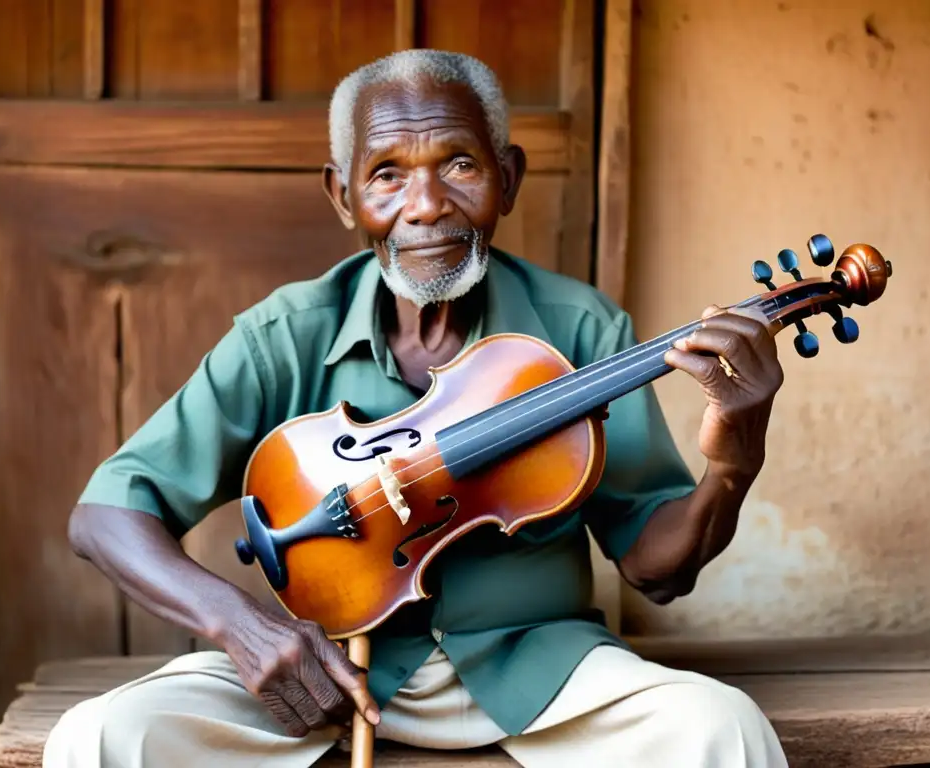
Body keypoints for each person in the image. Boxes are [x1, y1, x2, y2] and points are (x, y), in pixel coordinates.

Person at [44, 49, 789, 768]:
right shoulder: (286, 332)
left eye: (460, 165)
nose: (426, 206)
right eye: (387, 175)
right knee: (101, 738)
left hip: (541, 670)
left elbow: (656, 568)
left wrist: (733, 461)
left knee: (721, 731)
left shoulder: (581, 329)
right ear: (343, 196)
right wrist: (238, 624)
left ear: (508, 178)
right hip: (324, 678)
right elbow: (106, 515)